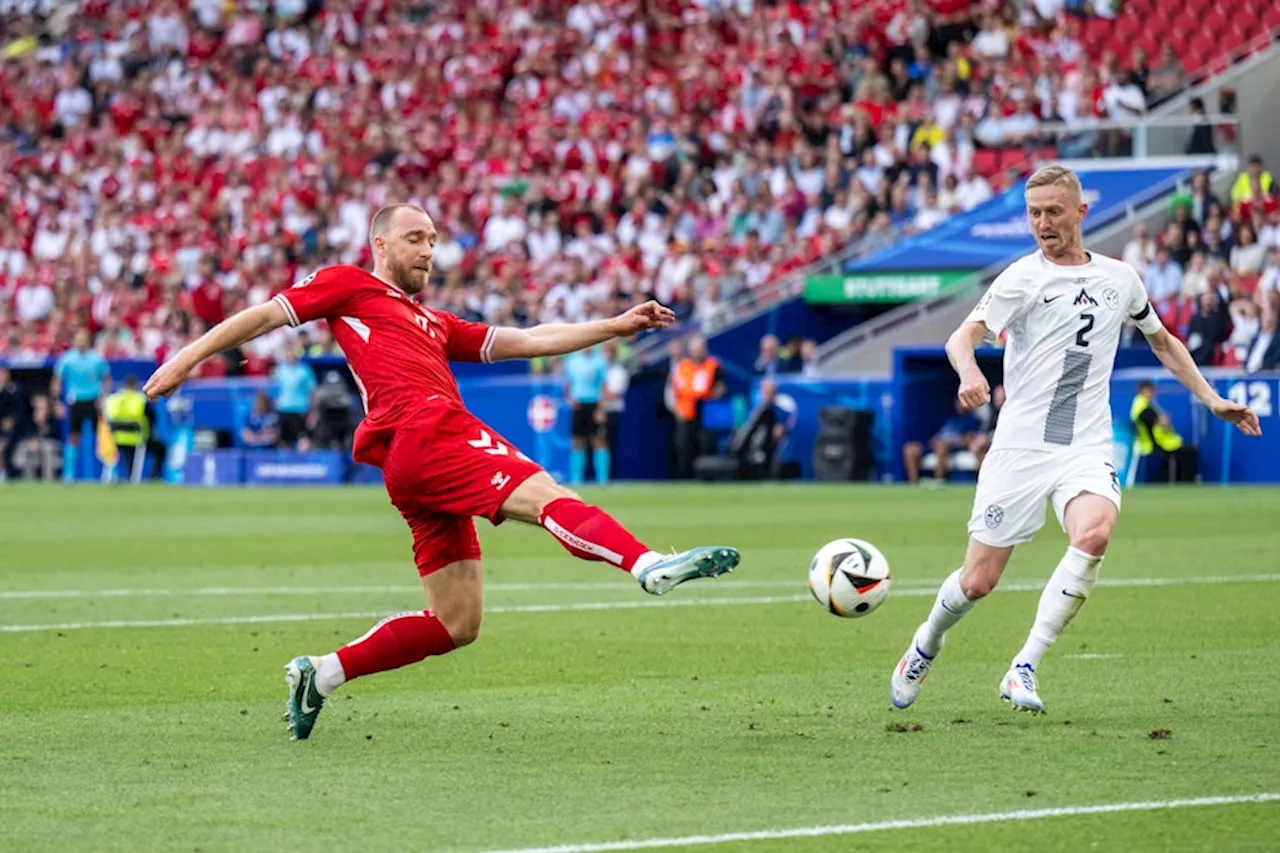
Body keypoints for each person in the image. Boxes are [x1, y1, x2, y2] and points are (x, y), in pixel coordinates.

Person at [144, 203, 740, 741]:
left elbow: (531, 339)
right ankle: (647, 564)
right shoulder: (347, 285)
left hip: (410, 462)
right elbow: (264, 317)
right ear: (380, 245)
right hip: (427, 430)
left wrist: (613, 325)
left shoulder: (436, 322)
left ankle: (320, 676)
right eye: (414, 238)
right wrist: (187, 358)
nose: (428, 250)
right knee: (546, 494)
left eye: (432, 239)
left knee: (458, 623)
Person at [889, 165, 1261, 715]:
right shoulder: (1021, 277)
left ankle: (1024, 667)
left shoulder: (1119, 278)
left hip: (1084, 445)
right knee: (977, 581)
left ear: (1081, 213)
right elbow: (961, 336)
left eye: (1054, 212)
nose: (1043, 223)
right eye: (1034, 213)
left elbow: (1162, 341)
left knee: (1094, 533)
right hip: (1019, 446)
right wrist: (970, 373)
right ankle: (925, 644)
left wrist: (1211, 397)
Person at [50, 328, 110, 482]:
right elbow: (57, 381)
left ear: (89, 340)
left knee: (102, 436)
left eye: (84, 338)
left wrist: (104, 398)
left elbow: (106, 379)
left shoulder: (97, 359)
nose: (81, 341)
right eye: (79, 338)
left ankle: (110, 472)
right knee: (74, 436)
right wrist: (57, 402)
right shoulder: (67, 359)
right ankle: (69, 474)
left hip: (94, 401)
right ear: (74, 340)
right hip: (76, 401)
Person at [669, 335, 723, 479]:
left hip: (706, 411)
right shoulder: (682, 366)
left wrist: (713, 395)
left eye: (701, 348)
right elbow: (674, 389)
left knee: (706, 445)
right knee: (683, 446)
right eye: (696, 349)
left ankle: (706, 477)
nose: (698, 352)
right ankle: (684, 478)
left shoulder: (713, 364)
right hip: (686, 411)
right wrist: (676, 409)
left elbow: (720, 386)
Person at [901, 400, 987, 485]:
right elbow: (936, 435)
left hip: (952, 447)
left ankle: (938, 481)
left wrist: (952, 442)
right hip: (935, 444)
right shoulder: (950, 419)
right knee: (910, 449)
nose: (959, 405)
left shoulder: (972, 420)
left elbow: (969, 438)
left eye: (963, 402)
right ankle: (913, 483)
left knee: (941, 446)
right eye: (958, 402)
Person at [1130, 381, 1199, 483]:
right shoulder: (1145, 408)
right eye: (1152, 391)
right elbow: (1164, 423)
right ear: (1144, 391)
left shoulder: (1139, 406)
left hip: (1153, 443)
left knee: (1180, 455)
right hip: (1157, 444)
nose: (1154, 394)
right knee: (1190, 453)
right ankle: (1185, 482)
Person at [562, 345, 608, 486]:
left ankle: (602, 479)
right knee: (577, 441)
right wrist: (569, 398)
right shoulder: (572, 361)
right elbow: (567, 384)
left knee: (598, 440)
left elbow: (603, 386)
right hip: (579, 405)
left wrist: (601, 409)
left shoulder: (600, 361)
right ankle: (577, 479)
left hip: (593, 404)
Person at [103, 374, 151, 484]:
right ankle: (147, 477)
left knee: (117, 457)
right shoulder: (140, 399)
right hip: (136, 437)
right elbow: (151, 417)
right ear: (135, 385)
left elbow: (107, 416)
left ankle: (112, 477)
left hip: (115, 437)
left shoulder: (114, 398)